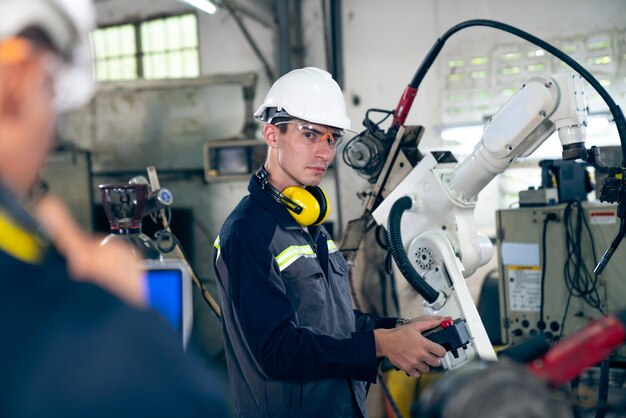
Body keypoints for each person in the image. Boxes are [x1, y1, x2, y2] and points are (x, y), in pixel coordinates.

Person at [0, 0, 229, 416]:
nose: (51, 139)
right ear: (21, 79)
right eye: (55, 102)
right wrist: (118, 313)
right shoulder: (81, 333)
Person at [213, 66, 447, 418]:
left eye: (332, 138)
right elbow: (277, 350)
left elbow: (332, 323)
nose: (325, 152)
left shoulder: (308, 224)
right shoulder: (248, 232)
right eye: (310, 135)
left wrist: (398, 329)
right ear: (272, 135)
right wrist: (380, 345)